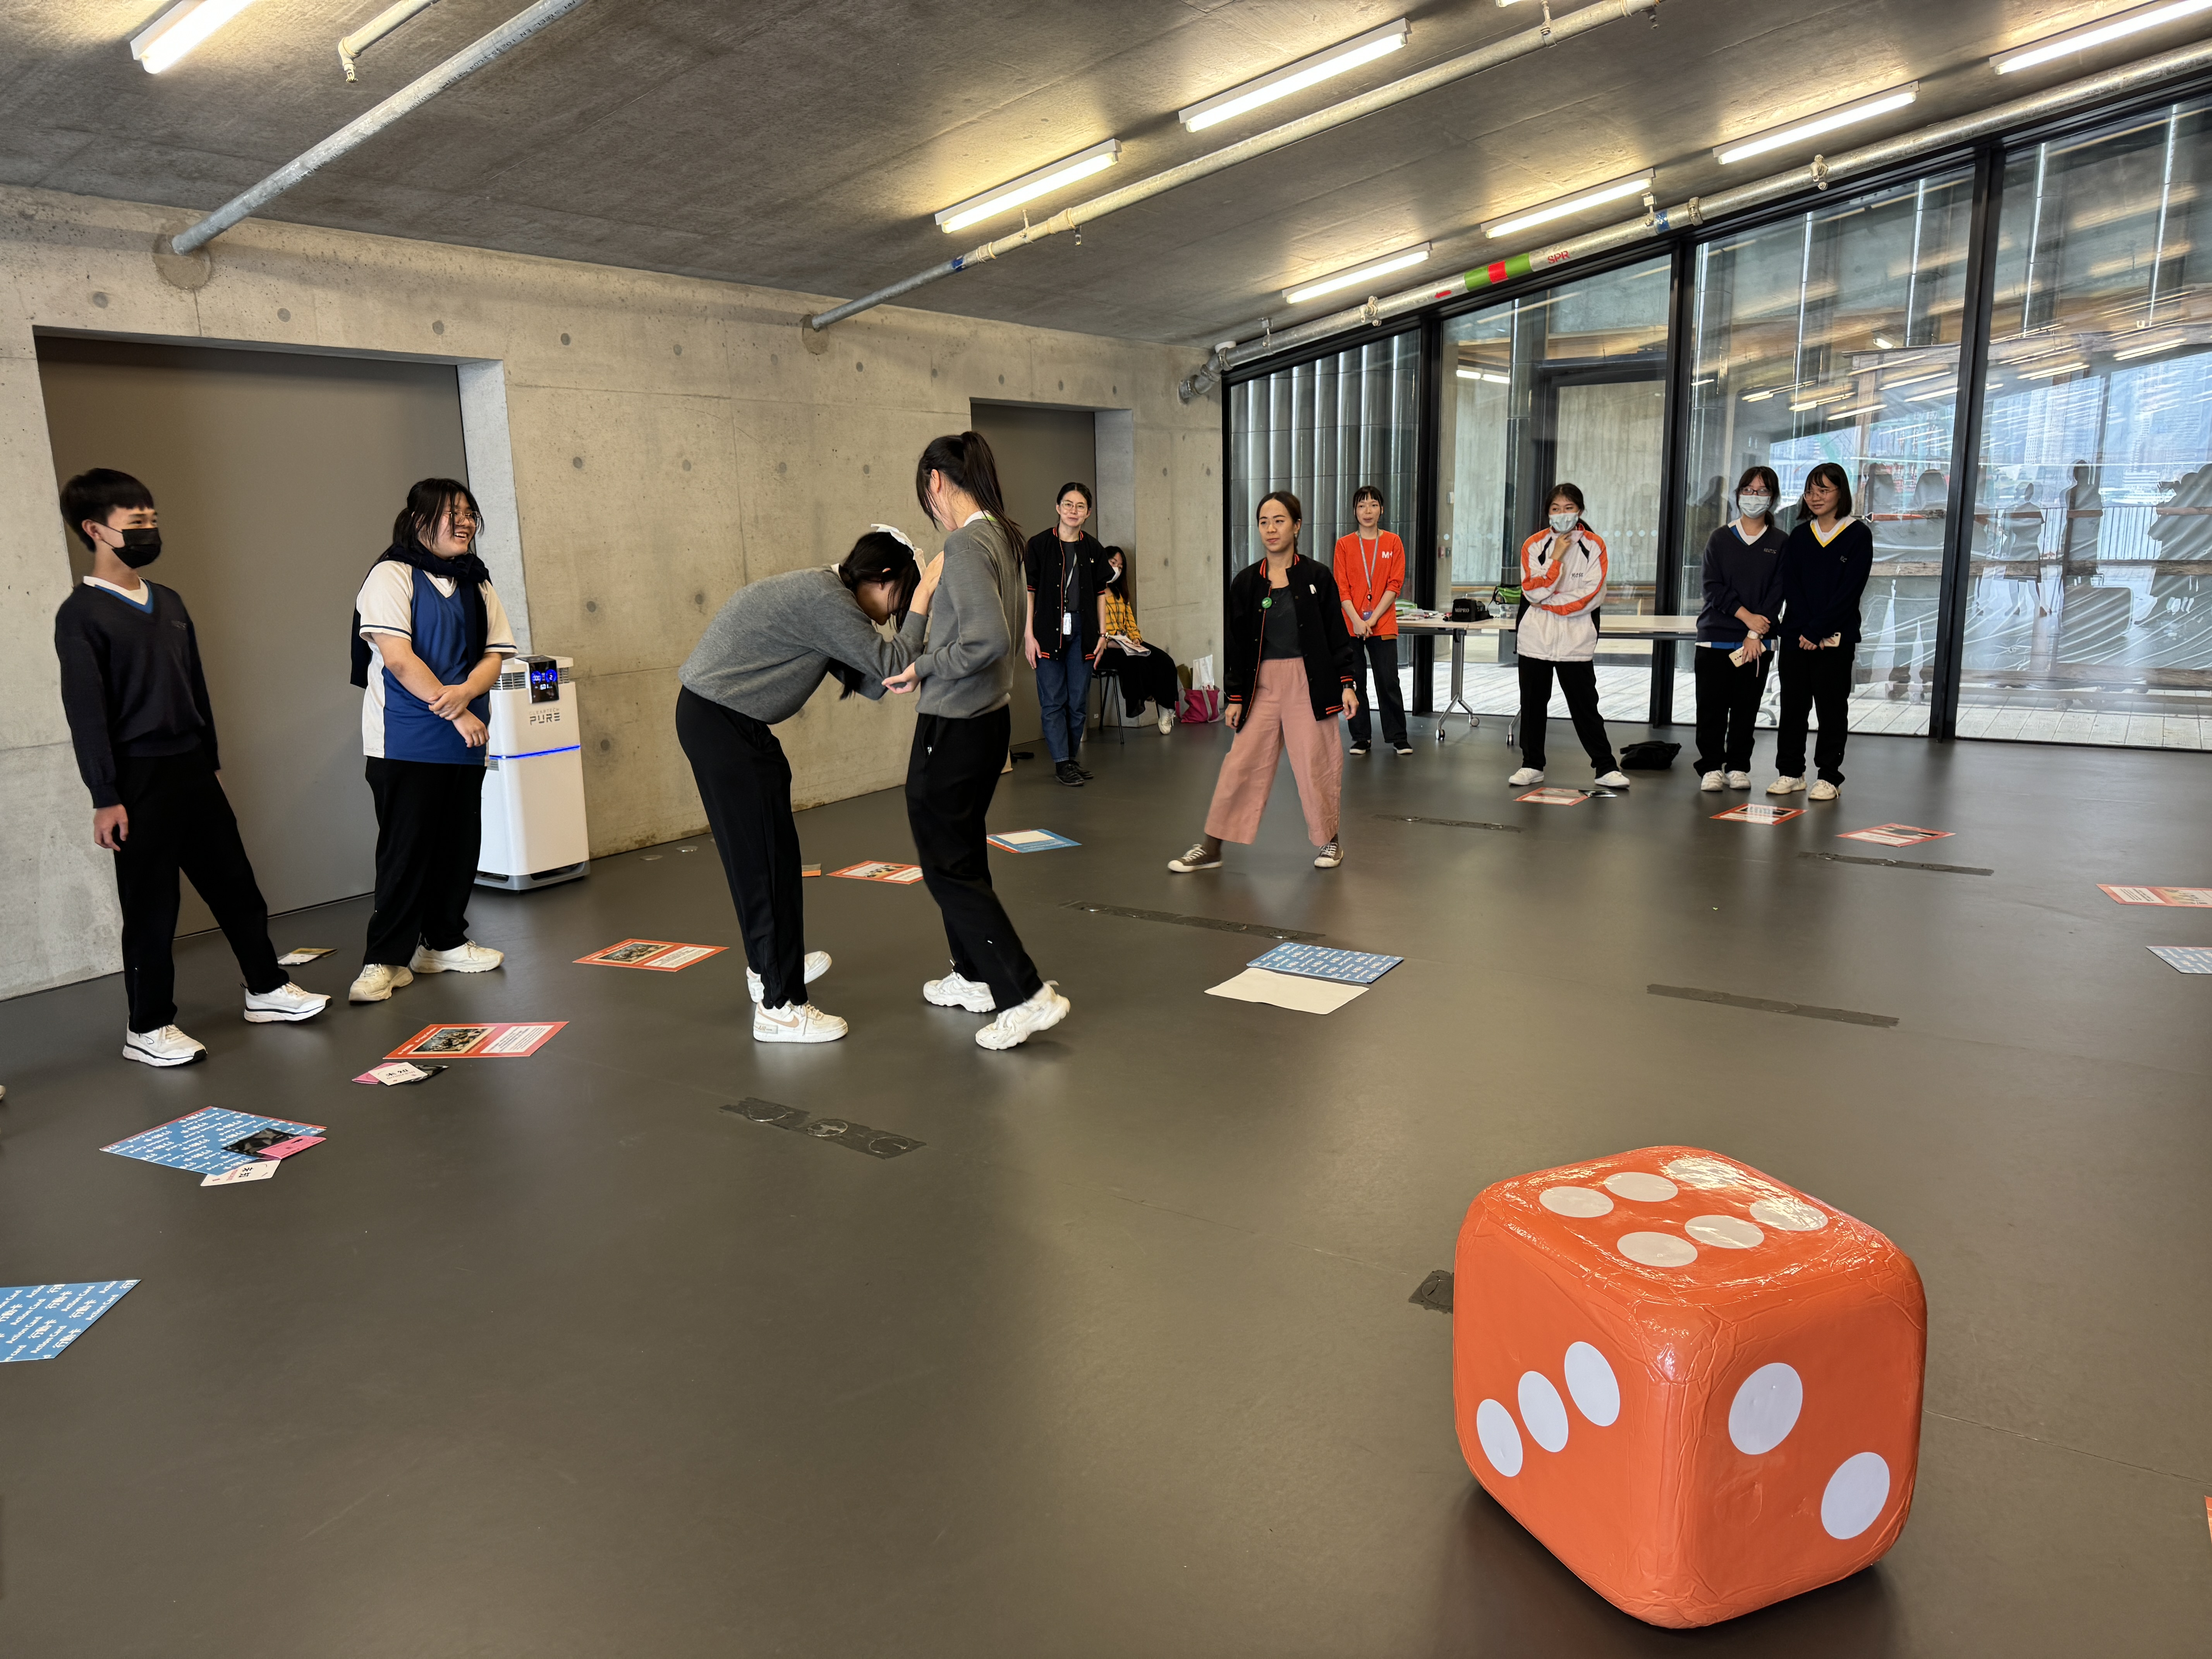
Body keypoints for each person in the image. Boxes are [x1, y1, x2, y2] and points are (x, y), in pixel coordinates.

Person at [52, 468, 329, 1066]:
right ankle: (148, 1027)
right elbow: (86, 713)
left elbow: (196, 687)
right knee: (152, 909)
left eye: (153, 519)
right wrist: (105, 794)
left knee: (237, 887)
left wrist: (212, 761)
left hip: (192, 768)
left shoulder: (170, 601)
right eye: (136, 522)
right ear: (95, 530)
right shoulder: (81, 615)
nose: (150, 530)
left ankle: (267, 989)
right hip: (137, 778)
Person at [677, 528, 929, 1043]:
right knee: (767, 867)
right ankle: (781, 1007)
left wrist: (908, 663)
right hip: (724, 724)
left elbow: (872, 678)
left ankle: (767, 968)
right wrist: (925, 600)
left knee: (762, 862)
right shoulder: (826, 600)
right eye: (900, 597)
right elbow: (890, 664)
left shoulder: (825, 593)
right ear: (882, 578)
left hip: (722, 721)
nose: (894, 614)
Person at [882, 431, 1070, 1051]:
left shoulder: (965, 544)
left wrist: (923, 666)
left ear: (936, 480)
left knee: (947, 869)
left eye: (926, 492)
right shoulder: (1004, 537)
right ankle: (973, 975)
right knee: (961, 856)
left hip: (955, 725)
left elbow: (987, 640)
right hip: (986, 723)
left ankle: (1024, 994)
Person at [348, 479, 518, 1003]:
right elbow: (399, 659)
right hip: (406, 739)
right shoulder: (392, 575)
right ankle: (384, 959)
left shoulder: (476, 581)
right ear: (419, 519)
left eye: (469, 513)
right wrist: (457, 710)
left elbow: (495, 655)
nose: (465, 523)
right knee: (406, 851)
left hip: (465, 738)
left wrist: (466, 694)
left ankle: (442, 943)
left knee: (458, 846)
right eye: (452, 513)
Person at [1167, 491, 1357, 874]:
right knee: (1240, 765)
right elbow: (1237, 645)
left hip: (1309, 683)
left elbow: (1337, 634)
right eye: (1264, 522)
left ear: (1297, 526)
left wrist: (1347, 683)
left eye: (1279, 521)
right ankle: (1212, 847)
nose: (1271, 529)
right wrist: (1235, 696)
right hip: (1262, 686)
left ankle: (1331, 840)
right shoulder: (1246, 583)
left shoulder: (1317, 576)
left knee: (1316, 764)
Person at [1506, 484, 1631, 791]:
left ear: (1580, 511)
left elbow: (1592, 594)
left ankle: (1605, 767)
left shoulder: (1594, 545)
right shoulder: (1534, 545)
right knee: (1533, 705)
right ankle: (1532, 765)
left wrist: (1550, 602)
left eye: (1569, 508)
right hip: (1536, 639)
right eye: (1556, 509)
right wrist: (1557, 558)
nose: (1562, 514)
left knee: (1585, 705)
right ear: (1548, 513)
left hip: (1576, 639)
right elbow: (1532, 591)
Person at [1769, 462, 1873, 802]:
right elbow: (1792, 585)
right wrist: (1806, 630)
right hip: (1797, 637)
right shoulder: (1800, 535)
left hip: (1835, 638)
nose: (1815, 497)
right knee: (1793, 708)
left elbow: (1850, 591)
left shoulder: (1857, 535)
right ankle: (1791, 772)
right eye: (1810, 491)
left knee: (1832, 710)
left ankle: (1829, 777)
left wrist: (1817, 630)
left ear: (1841, 493)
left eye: (1824, 490)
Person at [1692, 465, 1785, 792]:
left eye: (1762, 491)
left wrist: (1755, 634)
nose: (1754, 497)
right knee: (1712, 708)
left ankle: (1738, 767)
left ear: (1772, 498)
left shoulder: (1780, 542)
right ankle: (1711, 767)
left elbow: (1777, 592)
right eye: (1748, 490)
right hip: (1715, 638)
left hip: (1757, 643)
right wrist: (1747, 619)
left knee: (1746, 708)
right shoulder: (1720, 538)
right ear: (1738, 494)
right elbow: (1712, 587)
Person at [1024, 482, 1109, 787]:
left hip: (1084, 633)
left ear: (1089, 513)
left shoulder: (1094, 549)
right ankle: (1062, 763)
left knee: (1078, 702)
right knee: (1053, 701)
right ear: (1058, 507)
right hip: (1047, 632)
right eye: (1069, 505)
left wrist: (1103, 634)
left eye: (1081, 506)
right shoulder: (1039, 545)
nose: (1074, 511)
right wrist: (1028, 635)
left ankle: (1070, 760)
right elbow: (1030, 593)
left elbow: (1101, 594)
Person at [1332, 484, 1410, 756]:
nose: (1368, 511)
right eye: (1362, 505)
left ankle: (1398, 737)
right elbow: (1342, 588)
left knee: (1388, 681)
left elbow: (1395, 585)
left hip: (1383, 623)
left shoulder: (1393, 542)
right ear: (1355, 511)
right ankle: (1361, 738)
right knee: (1355, 682)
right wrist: (1356, 620)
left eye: (1374, 505)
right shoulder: (1344, 545)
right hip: (1350, 625)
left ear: (1382, 510)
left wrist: (1373, 618)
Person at [1090, 546, 1181, 734]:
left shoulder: (1119, 593)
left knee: (1164, 661)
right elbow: (1091, 629)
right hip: (1104, 647)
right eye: (1113, 563)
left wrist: (1136, 639)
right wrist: (1110, 641)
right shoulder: (1092, 592)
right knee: (1136, 663)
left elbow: (1130, 621)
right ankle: (1147, 693)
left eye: (1120, 567)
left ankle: (1167, 706)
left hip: (1126, 642)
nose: (1116, 569)